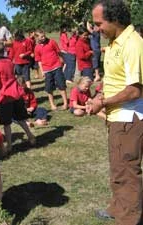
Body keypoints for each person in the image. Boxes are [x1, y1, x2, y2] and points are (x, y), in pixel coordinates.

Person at [87, 1, 143, 224]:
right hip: (117, 117)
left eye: (99, 23)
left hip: (128, 118)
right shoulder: (114, 42)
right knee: (119, 167)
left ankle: (129, 218)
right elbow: (116, 81)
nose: (96, 28)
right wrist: (100, 96)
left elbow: (135, 90)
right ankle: (119, 208)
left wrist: (104, 102)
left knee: (127, 170)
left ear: (115, 20)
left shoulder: (133, 44)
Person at [0, 40, 36, 151]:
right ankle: (30, 136)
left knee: (6, 123)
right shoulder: (9, 62)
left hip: (5, 97)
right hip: (17, 94)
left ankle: (9, 144)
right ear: (3, 50)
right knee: (21, 119)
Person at [34, 29, 68, 111]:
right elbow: (39, 61)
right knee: (49, 88)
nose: (43, 38)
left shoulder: (52, 42)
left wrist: (63, 61)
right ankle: (52, 104)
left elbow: (58, 52)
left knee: (61, 86)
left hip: (57, 67)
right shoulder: (37, 48)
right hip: (47, 70)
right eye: (41, 37)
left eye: (44, 36)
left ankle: (65, 103)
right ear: (37, 38)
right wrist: (42, 71)